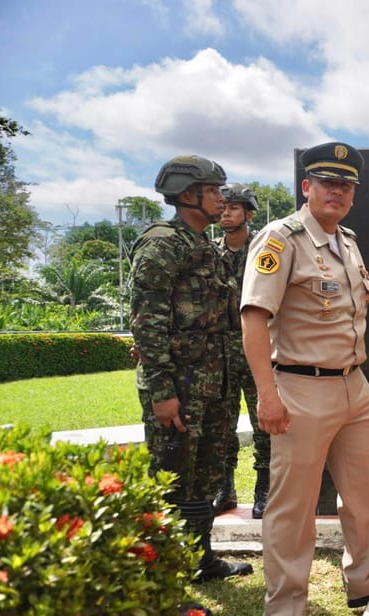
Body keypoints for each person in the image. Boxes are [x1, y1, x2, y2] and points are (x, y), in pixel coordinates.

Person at [241, 142, 369, 616]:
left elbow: (361, 290)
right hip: (298, 388)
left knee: (365, 493)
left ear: (353, 194)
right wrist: (267, 396)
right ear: (307, 187)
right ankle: (282, 613)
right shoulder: (281, 239)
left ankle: (365, 580)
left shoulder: (345, 240)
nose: (337, 191)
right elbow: (254, 318)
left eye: (345, 185)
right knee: (292, 508)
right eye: (327, 182)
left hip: (353, 386)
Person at [130, 155, 253, 584]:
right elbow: (147, 322)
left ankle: (200, 560)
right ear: (188, 194)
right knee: (172, 484)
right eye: (214, 190)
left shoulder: (204, 246)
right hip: (178, 390)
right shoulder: (163, 244)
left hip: (212, 386)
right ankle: (164, 578)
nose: (222, 198)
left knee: (204, 479)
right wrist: (162, 392)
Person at [212, 183, 272, 519]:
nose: (225, 214)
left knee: (263, 422)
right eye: (222, 208)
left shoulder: (263, 251)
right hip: (220, 354)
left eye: (233, 208)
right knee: (223, 424)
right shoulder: (209, 252)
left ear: (248, 214)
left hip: (257, 350)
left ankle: (264, 486)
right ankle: (226, 487)